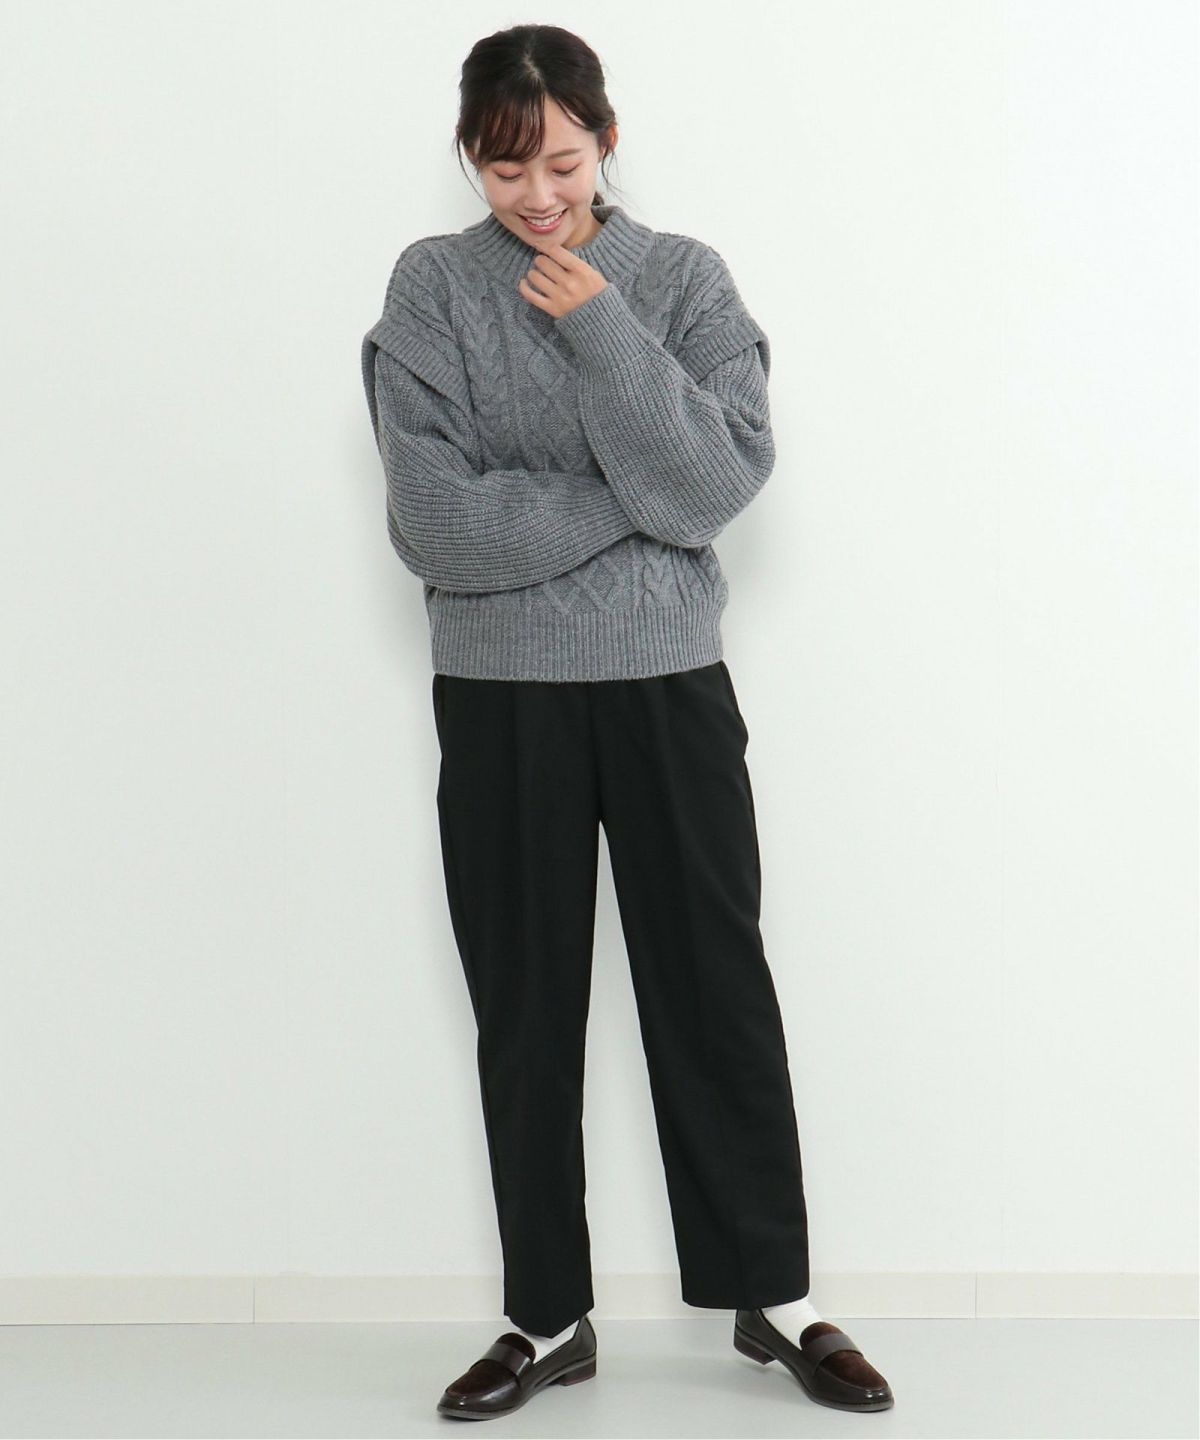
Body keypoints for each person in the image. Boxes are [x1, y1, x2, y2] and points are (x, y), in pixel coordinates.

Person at [361, 22, 894, 1421]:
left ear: (605, 139)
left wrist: (601, 328)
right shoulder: (431, 291)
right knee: (524, 1003)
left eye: (560, 162)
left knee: (714, 989)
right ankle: (544, 1316)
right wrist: (640, 502)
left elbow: (719, 484)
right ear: (469, 162)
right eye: (504, 171)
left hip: (668, 687)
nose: (537, 197)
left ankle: (776, 1298)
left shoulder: (681, 281)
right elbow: (436, 524)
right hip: (501, 698)